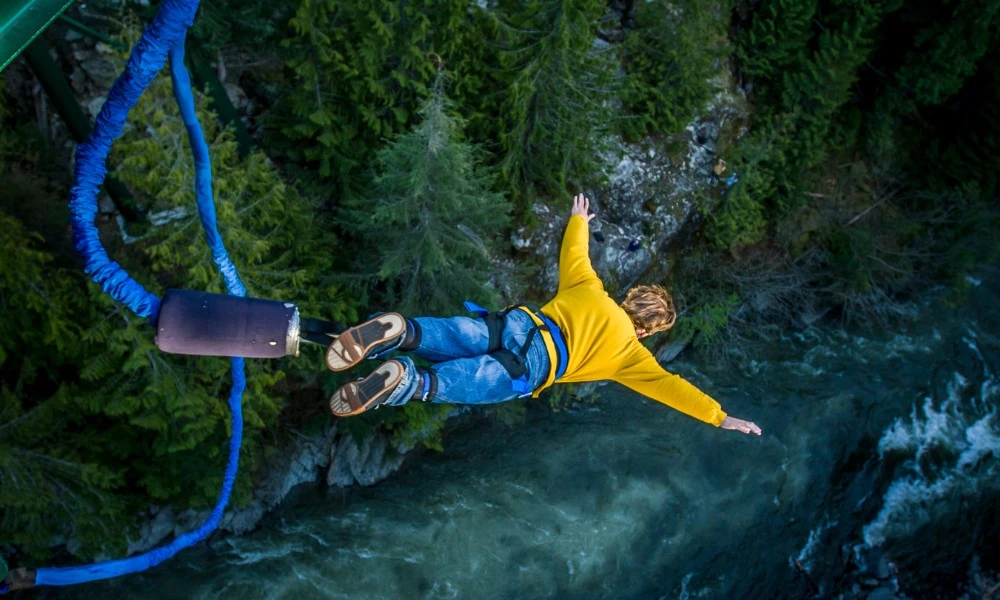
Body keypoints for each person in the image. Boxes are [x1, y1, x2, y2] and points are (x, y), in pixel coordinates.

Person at [325, 194, 762, 436]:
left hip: (518, 323)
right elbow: (672, 389)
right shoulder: (631, 356)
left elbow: (575, 252)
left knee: (459, 333)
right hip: (535, 365)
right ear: (646, 330)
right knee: (456, 383)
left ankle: (401, 330)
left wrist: (579, 219)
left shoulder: (589, 288)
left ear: (630, 298)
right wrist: (720, 416)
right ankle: (405, 380)